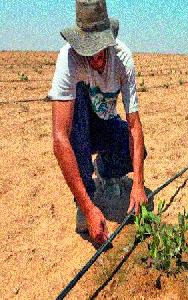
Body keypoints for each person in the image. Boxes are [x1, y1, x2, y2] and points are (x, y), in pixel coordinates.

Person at [48, 0, 148, 245]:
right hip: (80, 129)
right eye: (88, 50)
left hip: (105, 123)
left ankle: (104, 170)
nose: (95, 58)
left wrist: (138, 183)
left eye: (100, 48)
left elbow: (134, 126)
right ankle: (86, 201)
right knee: (76, 115)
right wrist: (88, 207)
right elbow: (60, 137)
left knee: (135, 151)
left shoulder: (123, 59)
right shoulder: (68, 59)